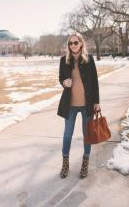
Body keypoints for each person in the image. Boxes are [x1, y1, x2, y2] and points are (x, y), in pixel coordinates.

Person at [57, 32, 101, 179]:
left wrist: (97, 102)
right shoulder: (64, 60)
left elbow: (94, 82)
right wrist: (64, 82)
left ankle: (85, 164)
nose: (73, 45)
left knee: (86, 135)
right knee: (67, 134)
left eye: (76, 42)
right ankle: (65, 164)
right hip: (70, 105)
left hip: (86, 105)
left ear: (81, 43)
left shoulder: (89, 59)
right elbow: (61, 78)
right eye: (70, 43)